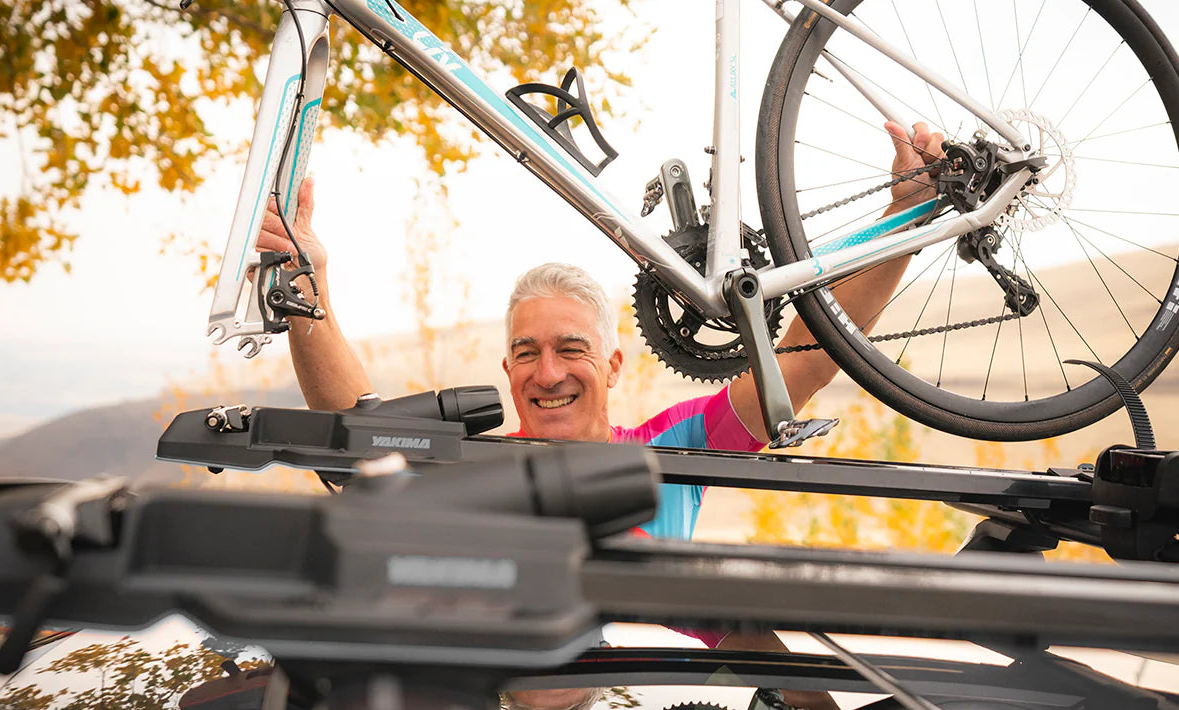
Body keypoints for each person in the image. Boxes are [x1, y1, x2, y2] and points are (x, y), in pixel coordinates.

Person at [257, 121, 944, 539]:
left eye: (570, 349)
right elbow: (358, 444)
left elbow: (804, 360)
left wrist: (904, 219)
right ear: (506, 371)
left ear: (614, 365)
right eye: (526, 353)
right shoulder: (477, 468)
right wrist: (303, 284)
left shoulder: (674, 449)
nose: (547, 372)